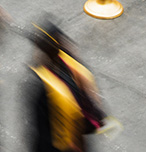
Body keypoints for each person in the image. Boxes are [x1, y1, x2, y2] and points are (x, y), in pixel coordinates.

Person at [26, 24, 105, 152]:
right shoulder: (40, 84)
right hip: (59, 145)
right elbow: (41, 128)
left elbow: (83, 97)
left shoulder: (69, 65)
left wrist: (96, 115)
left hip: (76, 137)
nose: (65, 45)